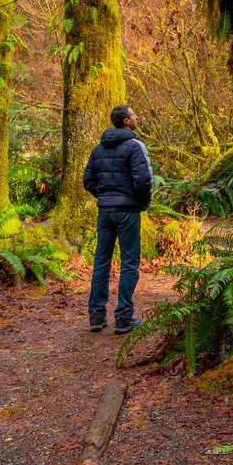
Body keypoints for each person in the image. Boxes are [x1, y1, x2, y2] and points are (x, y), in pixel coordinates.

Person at [82, 104, 153, 334]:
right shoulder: (135, 147)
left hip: (105, 211)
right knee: (129, 262)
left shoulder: (97, 150)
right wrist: (141, 203)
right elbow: (143, 180)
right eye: (134, 115)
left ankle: (96, 315)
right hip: (128, 212)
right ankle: (123, 316)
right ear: (125, 121)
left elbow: (88, 181)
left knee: (101, 261)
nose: (137, 117)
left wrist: (104, 197)